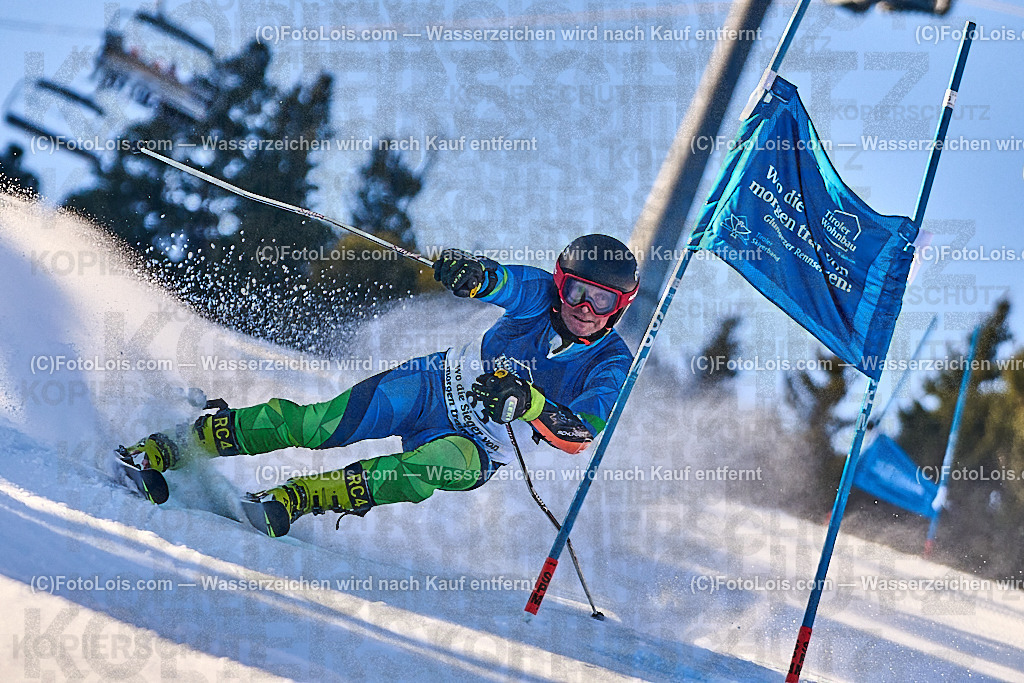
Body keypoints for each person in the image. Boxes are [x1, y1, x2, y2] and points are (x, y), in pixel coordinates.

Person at [121, 234, 640, 536]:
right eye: (575, 289)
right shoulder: (539, 295)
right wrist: (472, 274)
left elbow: (578, 435)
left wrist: (529, 404)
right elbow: (501, 281)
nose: (582, 308)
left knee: (419, 474)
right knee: (321, 425)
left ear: (621, 306)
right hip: (434, 384)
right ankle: (168, 447)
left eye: (601, 301)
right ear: (560, 281)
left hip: (480, 444)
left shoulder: (611, 363)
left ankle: (297, 498)